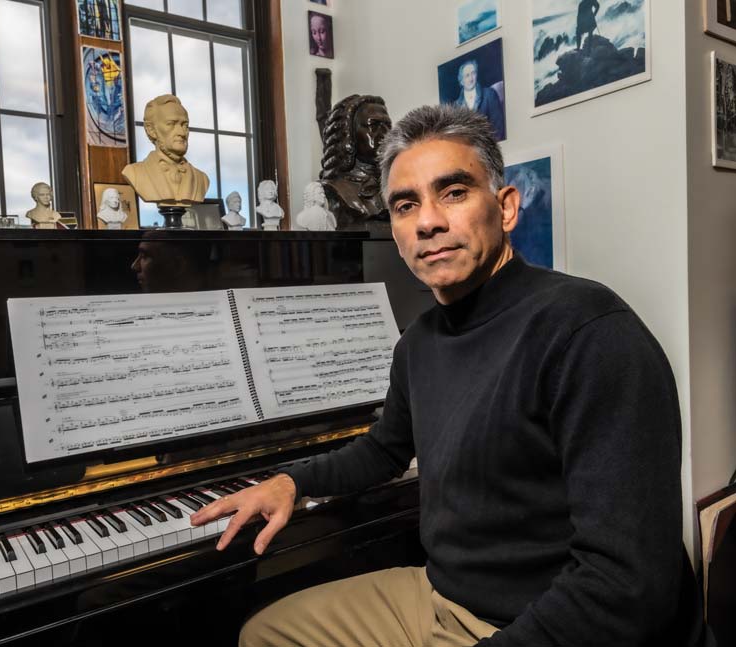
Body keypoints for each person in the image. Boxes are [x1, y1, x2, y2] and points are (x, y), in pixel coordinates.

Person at [190, 104, 710, 647]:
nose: (428, 221)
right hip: (443, 598)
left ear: (505, 208)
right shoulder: (418, 343)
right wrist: (293, 481)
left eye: (454, 192)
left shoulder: (589, 331)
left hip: (545, 623)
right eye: (405, 204)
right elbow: (385, 449)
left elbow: (625, 585)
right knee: (265, 634)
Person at [319, 94, 393, 229]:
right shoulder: (332, 190)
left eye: (387, 125)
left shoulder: (396, 185)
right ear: (348, 135)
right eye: (373, 125)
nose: (385, 133)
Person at [121, 94, 210, 204]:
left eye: (185, 125)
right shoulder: (134, 173)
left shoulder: (202, 179)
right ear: (151, 130)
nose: (182, 133)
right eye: (171, 124)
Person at [453, 59, 506, 141]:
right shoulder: (455, 107)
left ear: (476, 75)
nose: (471, 78)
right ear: (461, 81)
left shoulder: (489, 94)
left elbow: (498, 127)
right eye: (467, 75)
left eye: (473, 73)